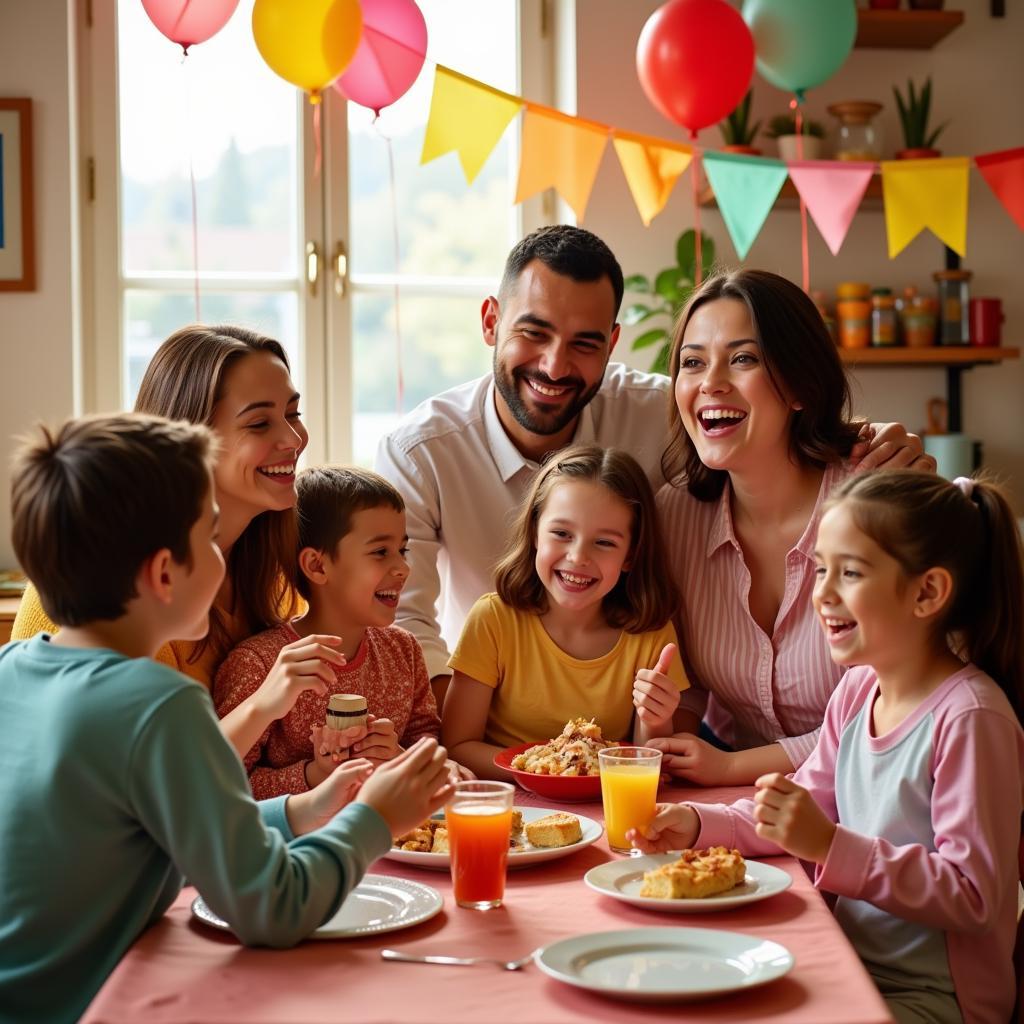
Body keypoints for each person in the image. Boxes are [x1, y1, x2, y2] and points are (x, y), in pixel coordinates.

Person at [0, 413, 453, 1024]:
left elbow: (155, 831)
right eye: (211, 541)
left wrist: (303, 810)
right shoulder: (159, 703)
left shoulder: (12, 667)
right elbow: (272, 907)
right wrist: (375, 818)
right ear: (165, 573)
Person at [374, 226, 930, 708]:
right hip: (487, 716)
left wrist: (872, 445)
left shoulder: (668, 412)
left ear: (612, 345)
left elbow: (758, 413)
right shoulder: (421, 452)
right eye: (533, 332)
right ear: (492, 322)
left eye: (584, 343)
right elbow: (402, 626)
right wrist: (471, 729)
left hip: (634, 728)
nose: (554, 364)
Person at [631, 469, 1024, 1024]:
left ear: (927, 591)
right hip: (851, 963)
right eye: (820, 569)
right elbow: (805, 805)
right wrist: (699, 823)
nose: (823, 593)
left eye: (851, 572)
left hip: (937, 999)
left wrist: (831, 847)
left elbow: (974, 895)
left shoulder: (971, 717)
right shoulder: (860, 689)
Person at [652, 269, 933, 786]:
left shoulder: (875, 497)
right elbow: (686, 679)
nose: (711, 382)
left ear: (800, 386)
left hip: (882, 798)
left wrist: (734, 767)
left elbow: (894, 701)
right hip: (746, 809)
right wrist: (674, 745)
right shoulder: (674, 518)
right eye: (693, 362)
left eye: (743, 359)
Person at [12, 324, 328, 693]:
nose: (293, 439)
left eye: (293, 413)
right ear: (190, 438)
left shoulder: (281, 578)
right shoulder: (107, 595)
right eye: (259, 423)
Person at [441, 444, 688, 780]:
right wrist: (544, 770)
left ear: (630, 555)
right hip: (511, 804)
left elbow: (647, 769)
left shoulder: (651, 634)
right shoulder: (493, 619)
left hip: (604, 808)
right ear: (534, 533)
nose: (578, 557)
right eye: (561, 534)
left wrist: (654, 719)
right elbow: (458, 745)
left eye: (604, 543)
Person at [213, 466, 442, 799]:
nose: (403, 568)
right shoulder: (258, 664)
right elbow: (227, 785)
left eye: (402, 550)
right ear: (318, 566)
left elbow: (427, 738)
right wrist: (314, 775)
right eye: (380, 552)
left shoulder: (403, 649)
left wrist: (398, 757)